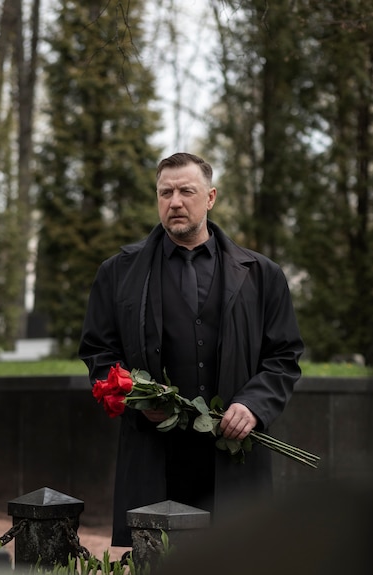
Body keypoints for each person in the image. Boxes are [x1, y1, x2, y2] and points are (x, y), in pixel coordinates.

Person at [79, 152, 304, 546]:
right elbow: (98, 351)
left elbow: (283, 355)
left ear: (211, 197)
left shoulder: (263, 275)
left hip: (233, 451)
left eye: (186, 191)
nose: (175, 201)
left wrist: (254, 404)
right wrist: (134, 398)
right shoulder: (117, 272)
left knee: (236, 574)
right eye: (165, 192)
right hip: (155, 452)